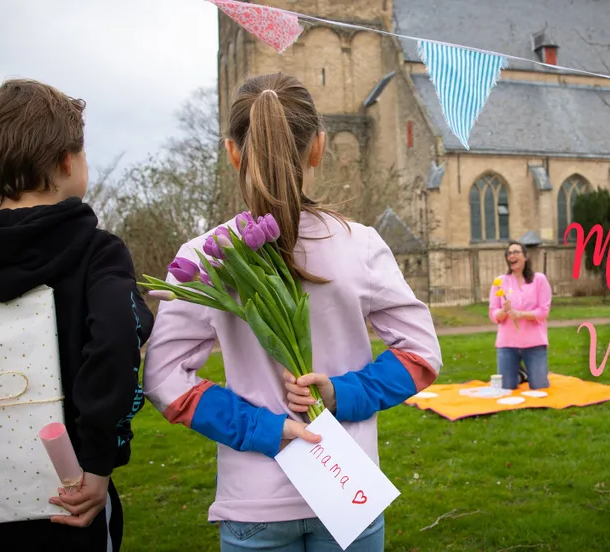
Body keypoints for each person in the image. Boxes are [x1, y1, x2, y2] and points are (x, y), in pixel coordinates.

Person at [142, 72, 442, 552]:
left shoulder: (205, 254)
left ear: (232, 152)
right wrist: (343, 394)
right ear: (319, 147)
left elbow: (162, 381)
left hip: (256, 504)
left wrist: (261, 429)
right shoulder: (358, 244)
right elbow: (422, 355)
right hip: (349, 491)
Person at [0, 79, 153, 551]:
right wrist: (98, 462)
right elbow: (117, 343)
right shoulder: (97, 252)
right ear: (67, 162)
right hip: (70, 499)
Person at [489, 241, 552, 391]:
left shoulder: (539, 280)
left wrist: (521, 314)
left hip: (534, 342)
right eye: (509, 253)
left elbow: (543, 312)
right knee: (506, 388)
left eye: (516, 252)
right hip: (507, 343)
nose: (512, 255)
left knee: (539, 387)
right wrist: (504, 312)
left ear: (526, 257)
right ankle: (520, 374)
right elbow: (493, 313)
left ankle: (529, 373)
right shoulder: (499, 282)